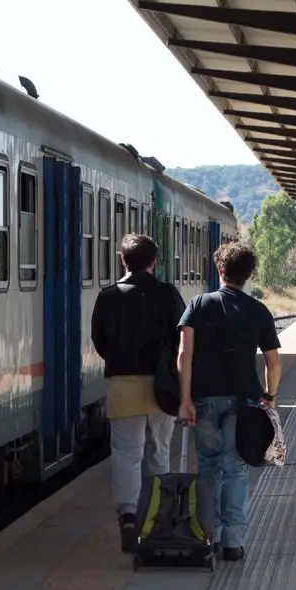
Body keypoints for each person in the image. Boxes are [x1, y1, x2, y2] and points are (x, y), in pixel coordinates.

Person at [177, 241, 282, 562]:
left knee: (208, 468)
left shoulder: (198, 305)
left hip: (204, 399)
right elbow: (273, 362)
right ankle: (232, 541)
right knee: (235, 470)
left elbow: (184, 354)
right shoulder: (259, 310)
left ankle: (208, 534)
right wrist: (270, 396)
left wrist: (184, 400)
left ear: (219, 270)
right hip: (245, 401)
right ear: (249, 274)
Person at [91, 233, 186, 551]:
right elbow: (182, 339)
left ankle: (128, 517)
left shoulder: (108, 296)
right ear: (154, 262)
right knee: (159, 452)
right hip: (162, 388)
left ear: (123, 260)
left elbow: (100, 341)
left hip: (123, 385)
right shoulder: (167, 294)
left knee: (126, 454)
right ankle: (159, 516)